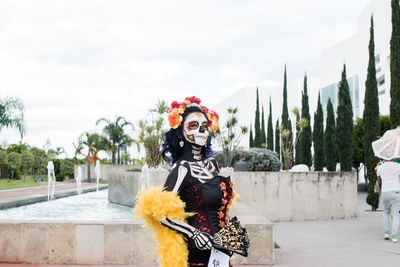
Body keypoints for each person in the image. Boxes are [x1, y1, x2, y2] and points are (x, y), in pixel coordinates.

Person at [135, 96, 242, 267]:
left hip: (221, 251)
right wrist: (194, 233)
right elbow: (159, 213)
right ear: (181, 133)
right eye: (193, 125)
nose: (201, 130)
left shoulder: (213, 165)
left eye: (205, 126)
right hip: (198, 254)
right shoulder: (182, 169)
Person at [376, 158, 400, 243]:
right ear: (393, 157)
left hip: (385, 191)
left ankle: (386, 233)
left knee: (386, 212)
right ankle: (394, 237)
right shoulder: (398, 166)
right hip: (396, 191)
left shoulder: (380, 167)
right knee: (396, 214)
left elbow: (379, 181)